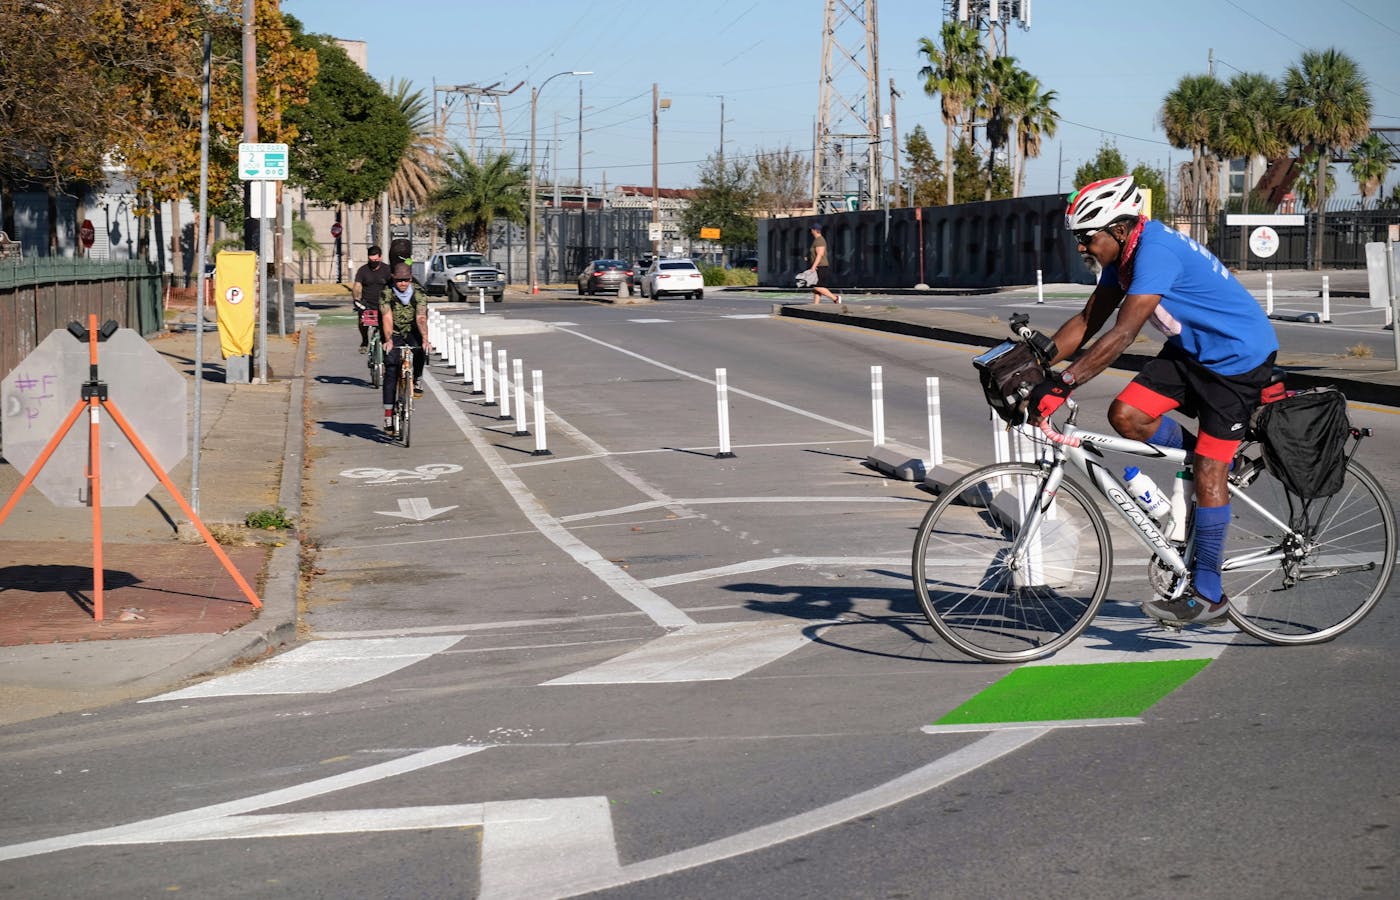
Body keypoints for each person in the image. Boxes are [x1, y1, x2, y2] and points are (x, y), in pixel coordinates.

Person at [1025, 174, 1280, 626]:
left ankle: (1209, 594)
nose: (1082, 246)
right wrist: (1036, 358)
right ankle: (1211, 462)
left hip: (1237, 361)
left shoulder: (1155, 253)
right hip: (1191, 353)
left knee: (1208, 468)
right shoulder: (1124, 257)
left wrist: (1063, 384)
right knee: (1126, 415)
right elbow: (1088, 320)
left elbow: (1122, 333)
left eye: (1087, 237)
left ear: (1119, 230)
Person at [379, 263, 432, 435]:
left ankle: (417, 377)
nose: (402, 283)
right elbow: (386, 317)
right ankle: (388, 415)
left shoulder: (419, 293)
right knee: (392, 370)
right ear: (394, 279)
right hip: (393, 331)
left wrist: (425, 339)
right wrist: (388, 340)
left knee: (420, 349)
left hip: (413, 329)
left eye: (406, 280)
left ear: (410, 279)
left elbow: (421, 317)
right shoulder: (386, 293)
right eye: (399, 280)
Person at [352, 245, 391, 352]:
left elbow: (393, 285)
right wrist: (356, 299)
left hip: (384, 304)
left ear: (380, 257)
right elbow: (357, 286)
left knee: (386, 325)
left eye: (376, 259)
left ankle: (386, 342)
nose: (373, 262)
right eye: (371, 260)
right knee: (362, 321)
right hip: (368, 303)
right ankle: (364, 341)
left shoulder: (387, 269)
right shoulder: (363, 270)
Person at [808, 223, 842, 305]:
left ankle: (835, 298)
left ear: (815, 230)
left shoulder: (820, 240)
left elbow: (820, 254)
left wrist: (813, 267)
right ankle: (816, 305)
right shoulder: (816, 240)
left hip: (821, 266)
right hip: (818, 266)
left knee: (817, 286)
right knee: (816, 288)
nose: (811, 231)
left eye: (812, 229)